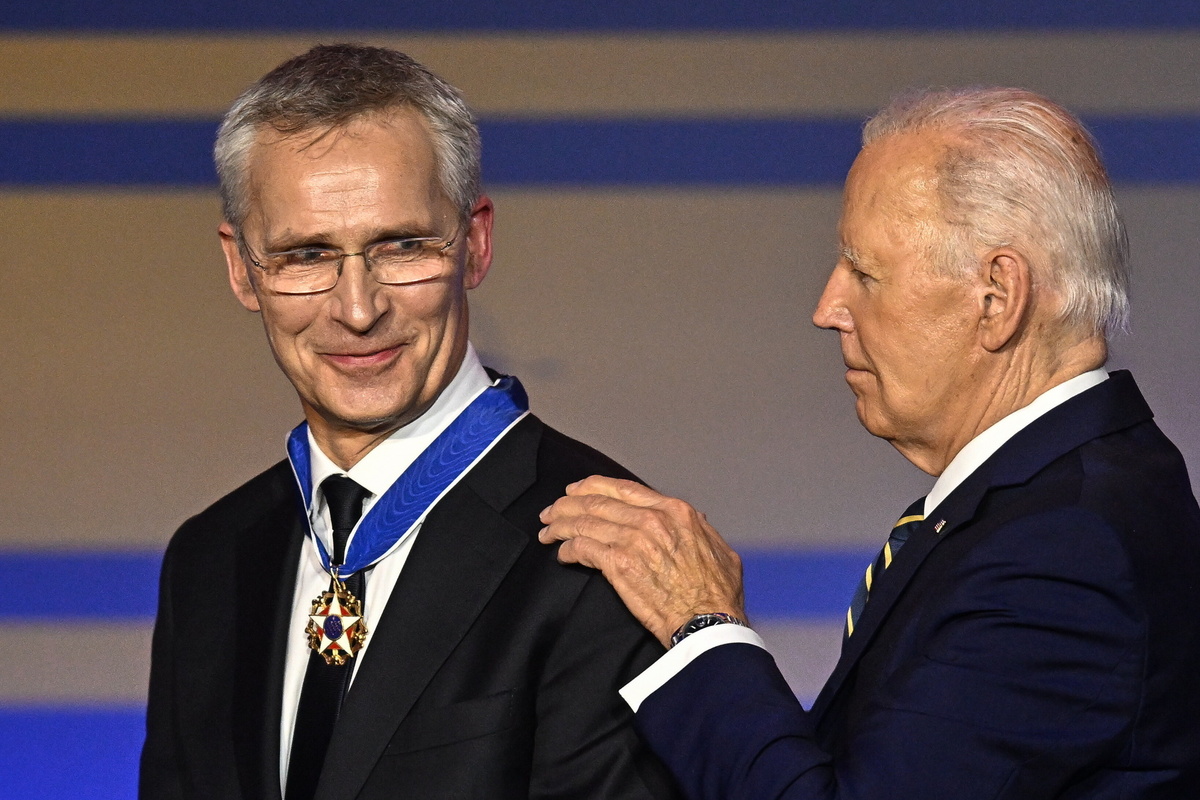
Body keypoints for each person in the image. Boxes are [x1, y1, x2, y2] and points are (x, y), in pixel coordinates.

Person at [540, 87, 1200, 798]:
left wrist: (701, 624)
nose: (827, 309)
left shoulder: (1061, 552)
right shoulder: (1067, 500)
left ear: (997, 296)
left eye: (864, 272)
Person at [140, 44, 678, 800]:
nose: (358, 309)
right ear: (241, 268)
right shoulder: (208, 560)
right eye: (306, 255)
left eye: (401, 247)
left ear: (476, 243)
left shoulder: (607, 552)